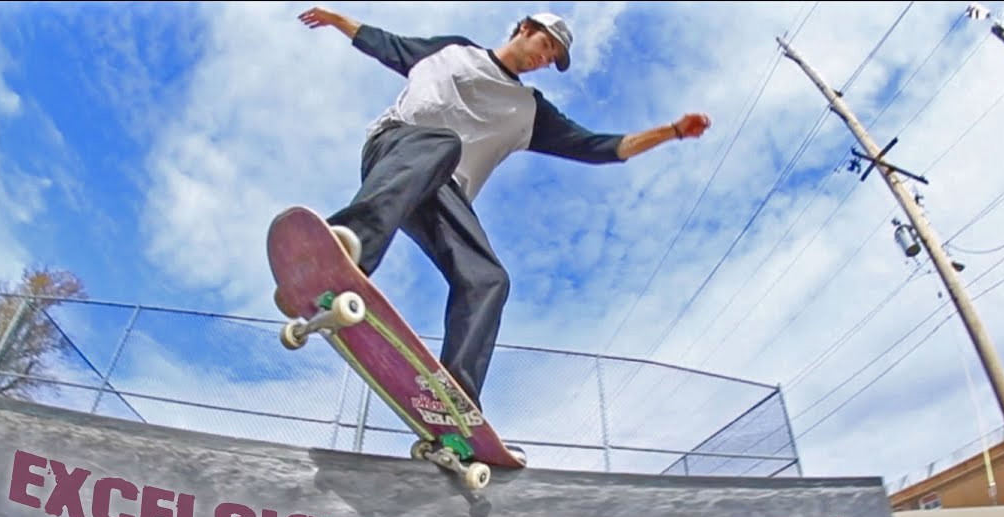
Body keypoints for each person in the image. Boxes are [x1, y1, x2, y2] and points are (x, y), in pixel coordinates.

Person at [298, 6, 711, 413]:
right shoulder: (454, 51)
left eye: (550, 58)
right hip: (396, 151)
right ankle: (341, 254)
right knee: (444, 143)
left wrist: (671, 132)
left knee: (488, 279)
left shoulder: (530, 109)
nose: (542, 58)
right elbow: (387, 44)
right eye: (544, 44)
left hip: (442, 193)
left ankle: (451, 395)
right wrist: (337, 20)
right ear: (524, 28)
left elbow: (600, 147)